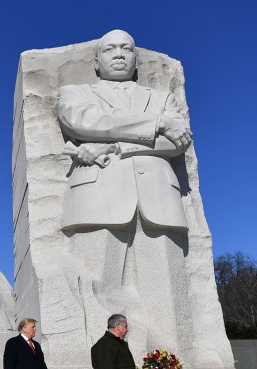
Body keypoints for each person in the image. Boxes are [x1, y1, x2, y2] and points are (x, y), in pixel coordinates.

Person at [56, 29, 194, 349]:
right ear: (96, 60)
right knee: (96, 288)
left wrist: (115, 144)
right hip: (97, 198)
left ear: (135, 60)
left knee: (168, 296)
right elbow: (81, 122)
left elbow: (178, 142)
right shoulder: (74, 93)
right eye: (109, 49)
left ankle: (169, 366)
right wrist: (154, 124)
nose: (118, 54)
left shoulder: (162, 98)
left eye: (126, 48)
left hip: (159, 199)